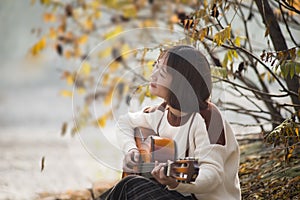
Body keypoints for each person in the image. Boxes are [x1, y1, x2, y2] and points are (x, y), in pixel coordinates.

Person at [101, 45, 241, 200]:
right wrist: (131, 150)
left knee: (130, 186)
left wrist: (176, 183)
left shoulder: (208, 118)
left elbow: (213, 174)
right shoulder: (161, 112)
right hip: (176, 195)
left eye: (162, 73)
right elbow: (124, 123)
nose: (153, 75)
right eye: (156, 66)